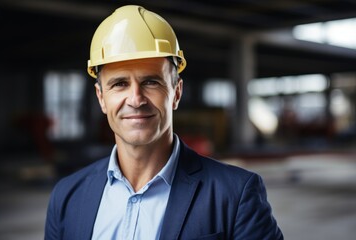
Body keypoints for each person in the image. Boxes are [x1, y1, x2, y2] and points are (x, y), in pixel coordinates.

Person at [45, 5, 283, 240]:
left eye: (151, 82)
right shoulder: (66, 197)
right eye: (119, 84)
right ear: (101, 98)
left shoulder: (235, 194)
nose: (136, 99)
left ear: (176, 93)